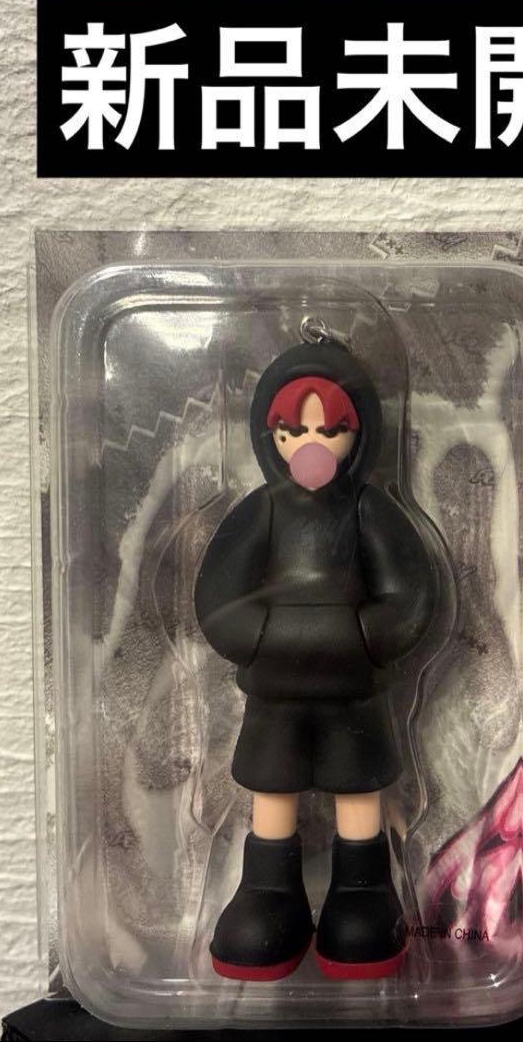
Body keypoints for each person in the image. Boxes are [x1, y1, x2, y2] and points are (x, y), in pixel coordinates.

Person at [194, 335, 437, 980]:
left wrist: (360, 635)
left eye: (329, 430)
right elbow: (216, 597)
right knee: (272, 785)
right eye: (294, 430)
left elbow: (412, 593)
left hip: (353, 689)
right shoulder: (259, 511)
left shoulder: (369, 509)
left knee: (358, 784)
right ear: (269, 434)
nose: (311, 444)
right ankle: (266, 892)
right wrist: (266, 635)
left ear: (359, 435)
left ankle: (363, 891)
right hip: (275, 691)